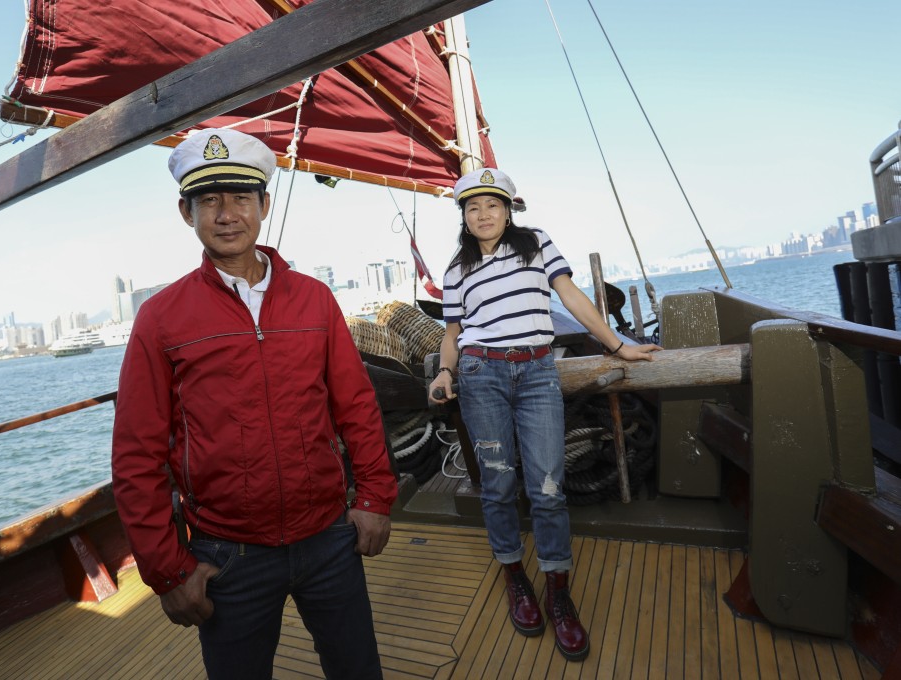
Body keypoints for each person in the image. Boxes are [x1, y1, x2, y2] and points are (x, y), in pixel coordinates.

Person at [111, 128, 398, 680]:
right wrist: (168, 571)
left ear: (264, 205)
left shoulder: (315, 298)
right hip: (226, 555)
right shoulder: (161, 318)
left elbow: (356, 407)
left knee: (358, 670)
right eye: (208, 200)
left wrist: (376, 498)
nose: (226, 214)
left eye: (241, 197)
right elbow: (135, 454)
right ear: (186, 212)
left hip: (329, 538)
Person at [427, 167, 661, 662]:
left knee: (548, 488)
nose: (483, 214)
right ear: (464, 217)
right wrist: (445, 371)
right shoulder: (455, 269)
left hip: (536, 373)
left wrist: (617, 345)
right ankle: (515, 576)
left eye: (492, 205)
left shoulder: (535, 243)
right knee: (497, 485)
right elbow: (452, 333)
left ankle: (558, 592)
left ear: (508, 210)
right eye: (473, 207)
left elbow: (570, 295)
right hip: (480, 374)